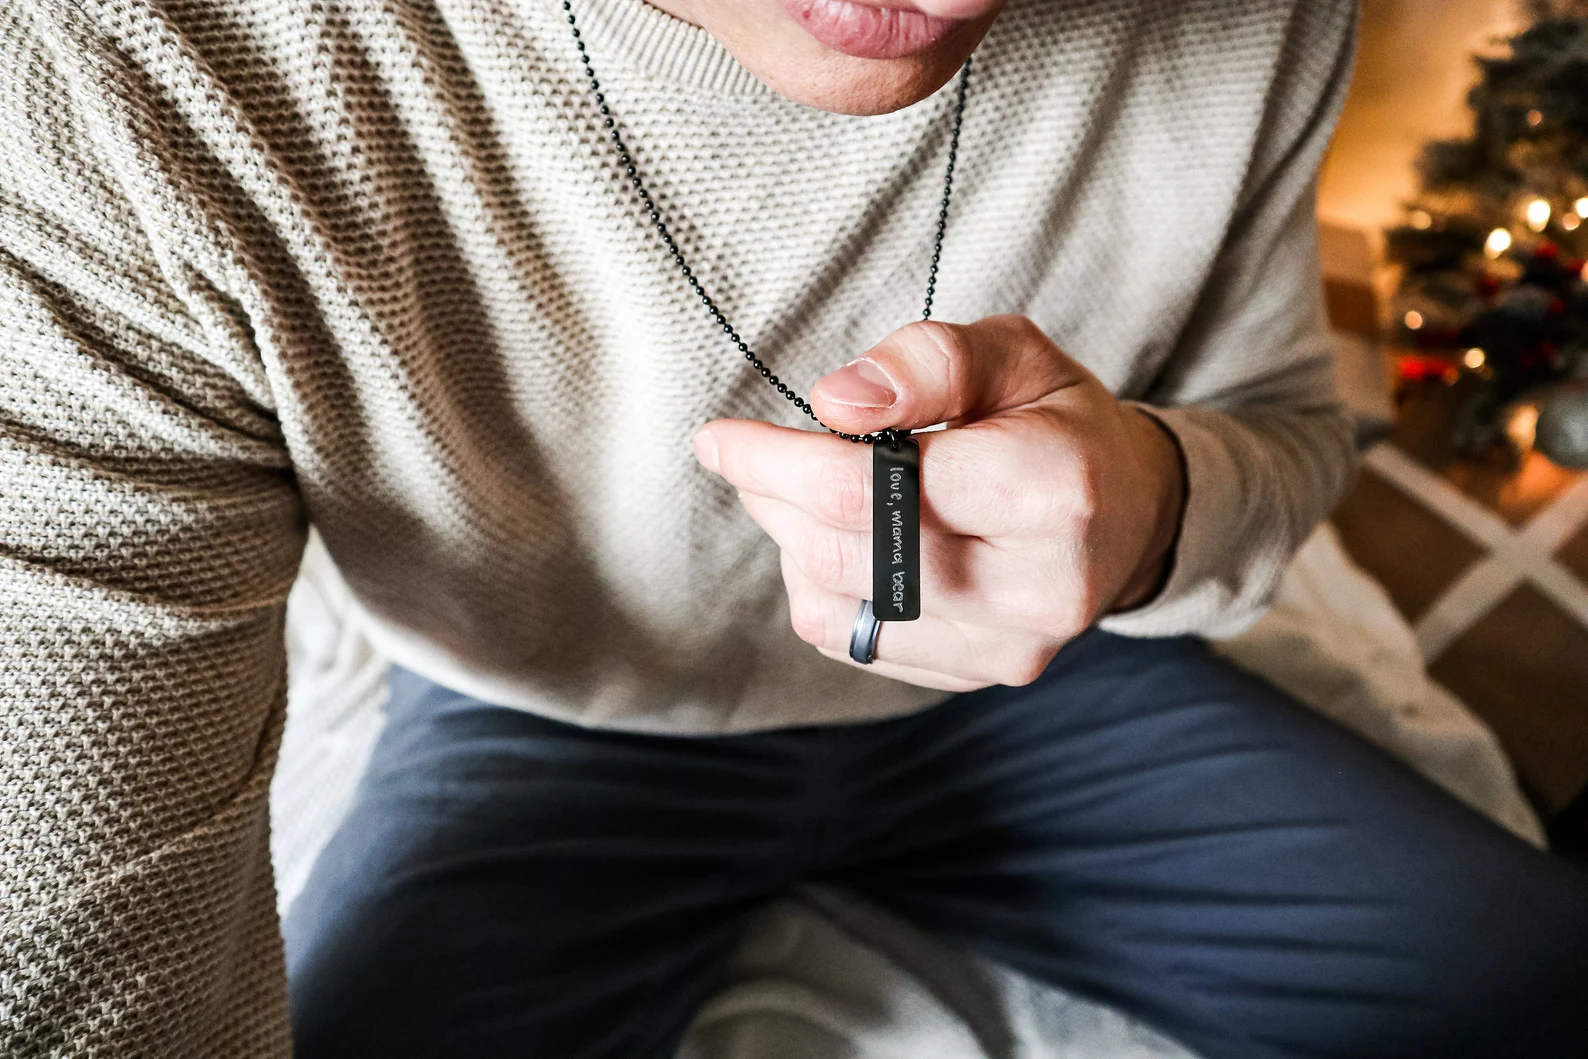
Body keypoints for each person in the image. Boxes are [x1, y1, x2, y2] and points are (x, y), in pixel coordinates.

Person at [1, 0, 1585, 1055]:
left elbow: (1293, 434)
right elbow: (76, 948)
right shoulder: (128, 70)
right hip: (540, 720)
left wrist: (1155, 500)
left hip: (1043, 699)